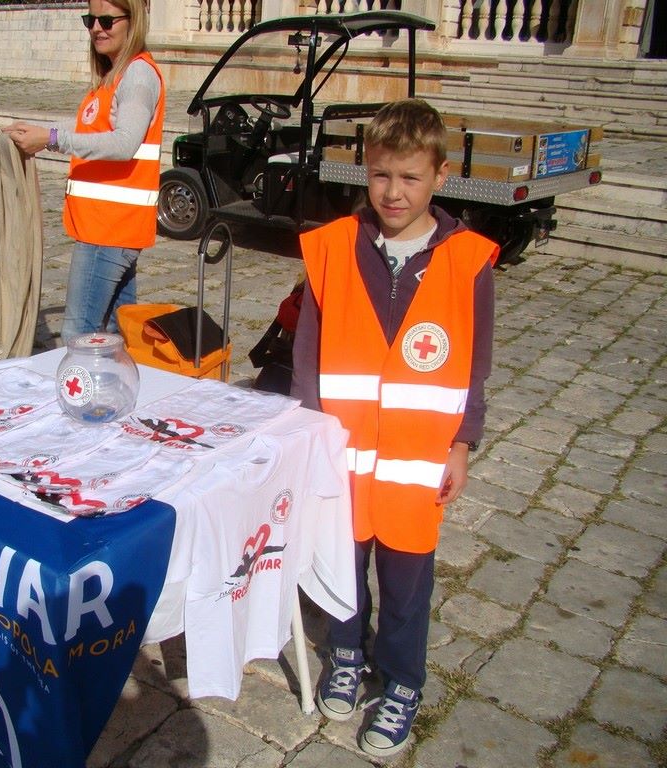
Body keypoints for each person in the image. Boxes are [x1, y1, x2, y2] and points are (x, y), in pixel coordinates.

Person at [291, 98, 497, 758]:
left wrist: (462, 443)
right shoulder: (332, 248)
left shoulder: (467, 260)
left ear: (440, 176)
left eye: (410, 177)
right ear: (365, 171)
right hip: (344, 451)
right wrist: (306, 435)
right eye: (380, 175)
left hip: (416, 460)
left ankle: (403, 680)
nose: (393, 192)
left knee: (408, 581)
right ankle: (346, 653)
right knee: (342, 565)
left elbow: (476, 362)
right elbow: (308, 354)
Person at [1, 0, 165, 342]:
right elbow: (87, 125)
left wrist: (52, 138)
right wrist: (41, 132)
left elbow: (125, 142)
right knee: (116, 335)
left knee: (80, 336)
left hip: (109, 230)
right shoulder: (115, 75)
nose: (97, 28)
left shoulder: (137, 75)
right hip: (108, 226)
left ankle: (82, 381)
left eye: (107, 20)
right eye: (90, 20)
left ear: (132, 21)